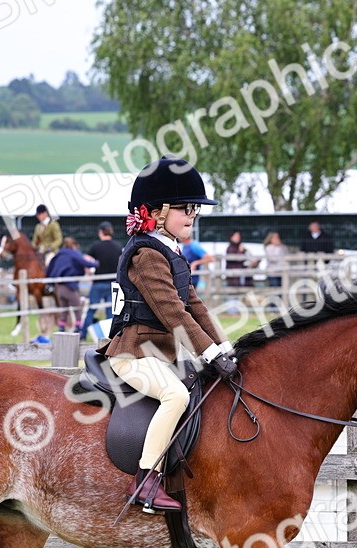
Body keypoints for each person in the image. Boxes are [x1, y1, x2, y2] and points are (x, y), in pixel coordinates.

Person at [101, 155, 237, 513]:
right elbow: (173, 313)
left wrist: (225, 346)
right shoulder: (146, 255)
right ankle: (146, 481)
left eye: (194, 209)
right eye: (184, 209)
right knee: (175, 396)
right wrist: (208, 353)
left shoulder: (172, 253)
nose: (192, 215)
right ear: (157, 212)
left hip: (162, 353)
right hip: (133, 353)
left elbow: (196, 306)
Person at [46, 236, 97, 333]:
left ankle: (61, 328)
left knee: (64, 310)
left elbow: (50, 268)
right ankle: (78, 328)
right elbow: (84, 262)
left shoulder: (59, 254)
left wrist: (49, 281)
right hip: (70, 286)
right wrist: (95, 264)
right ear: (74, 245)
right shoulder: (73, 253)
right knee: (77, 308)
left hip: (59, 287)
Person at [81, 221, 123, 337]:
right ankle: (111, 335)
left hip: (98, 283)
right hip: (113, 283)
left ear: (100, 232)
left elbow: (87, 261)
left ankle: (83, 334)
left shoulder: (96, 246)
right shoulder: (117, 246)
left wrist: (89, 274)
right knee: (111, 312)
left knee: (91, 310)